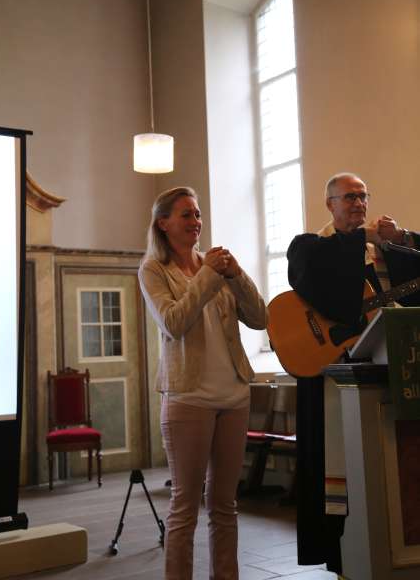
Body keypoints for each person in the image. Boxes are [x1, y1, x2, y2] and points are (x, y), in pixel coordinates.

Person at [286, 172, 420, 574]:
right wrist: (363, 241)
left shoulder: (385, 250)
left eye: (363, 196)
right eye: (349, 197)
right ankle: (346, 558)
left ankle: (397, 552)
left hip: (389, 377)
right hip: (334, 380)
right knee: (340, 473)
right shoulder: (310, 247)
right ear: (329, 204)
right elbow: (326, 291)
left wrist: (403, 239)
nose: (358, 203)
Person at [138, 186, 267, 580]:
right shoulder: (153, 271)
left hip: (233, 394)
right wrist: (210, 274)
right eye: (186, 215)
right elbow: (174, 324)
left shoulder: (218, 266)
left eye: (197, 215)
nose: (196, 222)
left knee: (225, 505)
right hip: (188, 397)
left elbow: (260, 318)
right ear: (164, 223)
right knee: (185, 506)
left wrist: (236, 274)